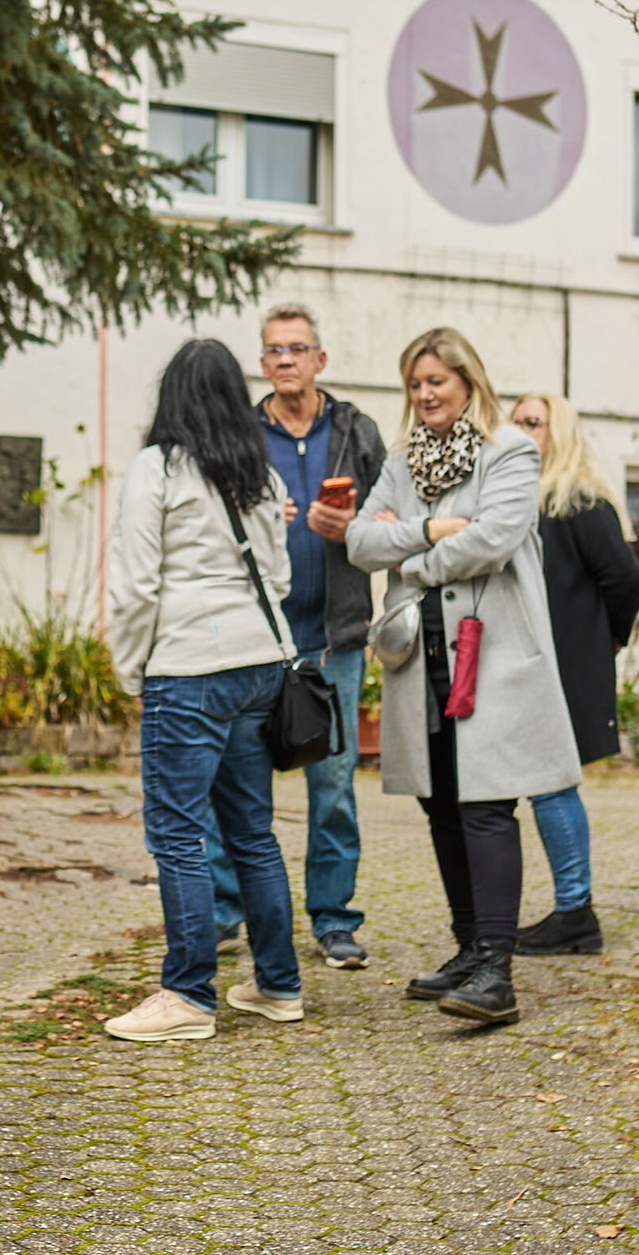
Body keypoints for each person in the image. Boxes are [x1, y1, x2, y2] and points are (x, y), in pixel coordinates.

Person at [346, 328, 579, 1025]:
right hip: (424, 657)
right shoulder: (401, 461)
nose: (424, 397)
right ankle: (467, 948)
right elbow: (360, 541)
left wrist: (411, 552)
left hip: (495, 653)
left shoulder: (509, 449)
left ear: (468, 383)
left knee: (485, 804)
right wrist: (434, 530)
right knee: (441, 801)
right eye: (414, 386)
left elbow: (496, 537)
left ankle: (497, 972)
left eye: (436, 384)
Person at [103, 338, 305, 1042]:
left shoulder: (157, 469)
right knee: (252, 832)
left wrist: (132, 670)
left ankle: (188, 995)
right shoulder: (262, 476)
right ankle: (278, 984)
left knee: (178, 835)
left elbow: (135, 585)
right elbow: (279, 580)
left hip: (187, 670)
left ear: (173, 398)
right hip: (258, 667)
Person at [204, 302, 386, 970]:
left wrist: (357, 522)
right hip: (256, 639)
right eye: (274, 350)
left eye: (296, 348)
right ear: (263, 364)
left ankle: (335, 921)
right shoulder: (241, 435)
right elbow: (209, 527)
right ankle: (227, 914)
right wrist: (255, 517)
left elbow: (392, 516)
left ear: (320, 360)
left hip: (334, 638)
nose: (285, 360)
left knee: (332, 786)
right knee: (238, 779)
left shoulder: (358, 431)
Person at [509, 392, 639, 955]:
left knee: (550, 783)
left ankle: (575, 912)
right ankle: (571, 910)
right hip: (521, 665)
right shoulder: (515, 501)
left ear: (558, 432)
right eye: (514, 423)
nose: (520, 432)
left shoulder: (581, 503)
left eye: (532, 423)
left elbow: (625, 580)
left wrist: (607, 639)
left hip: (563, 667)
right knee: (542, 785)